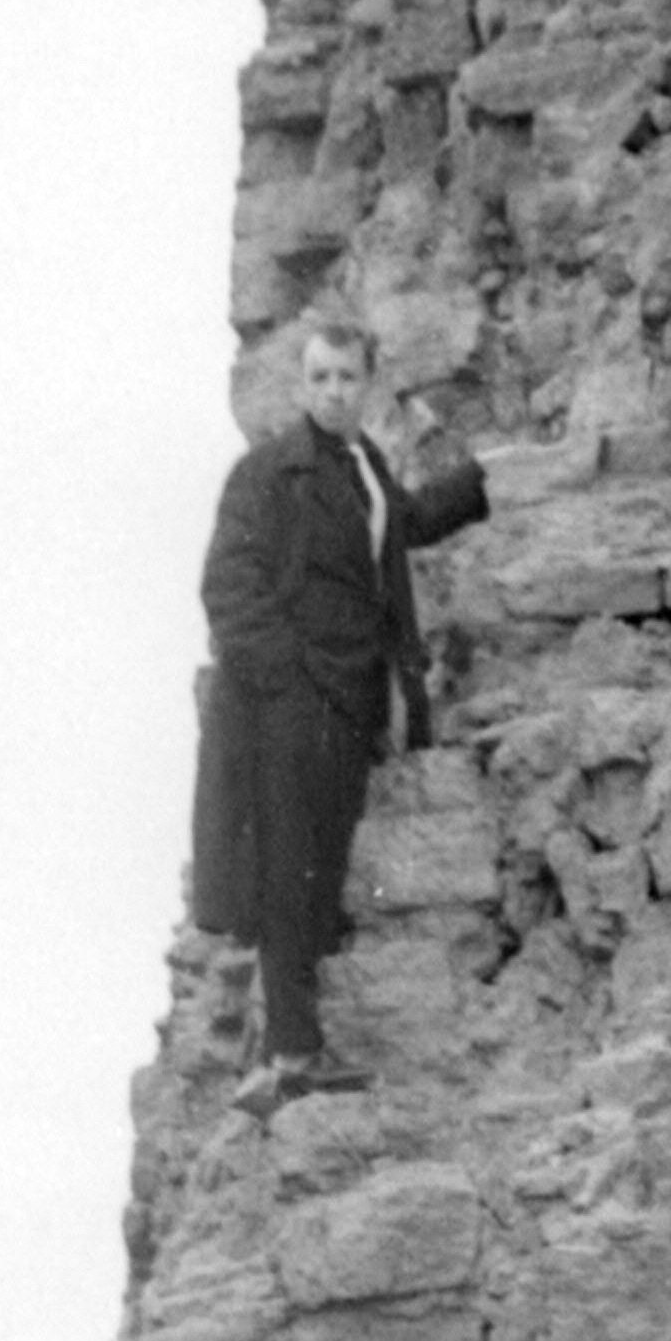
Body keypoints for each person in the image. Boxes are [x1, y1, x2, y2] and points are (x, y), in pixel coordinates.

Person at [190, 313, 490, 1113]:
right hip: (290, 709)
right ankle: (291, 1051)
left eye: (347, 377)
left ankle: (297, 1048)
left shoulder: (366, 467)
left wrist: (479, 483)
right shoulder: (267, 474)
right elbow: (227, 587)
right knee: (286, 868)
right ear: (302, 384)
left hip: (352, 706)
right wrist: (289, 678)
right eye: (319, 377)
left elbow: (403, 527)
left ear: (368, 384)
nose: (332, 392)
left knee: (321, 869)